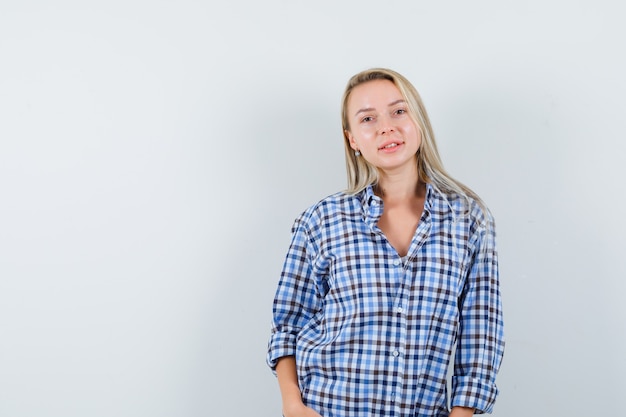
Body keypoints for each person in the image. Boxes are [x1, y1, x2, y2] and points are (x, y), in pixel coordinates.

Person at [266, 68, 504, 417]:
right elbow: (289, 324)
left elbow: (481, 333)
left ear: (418, 120)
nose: (386, 127)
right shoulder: (322, 219)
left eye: (398, 111)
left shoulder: (468, 219)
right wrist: (293, 405)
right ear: (353, 141)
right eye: (368, 119)